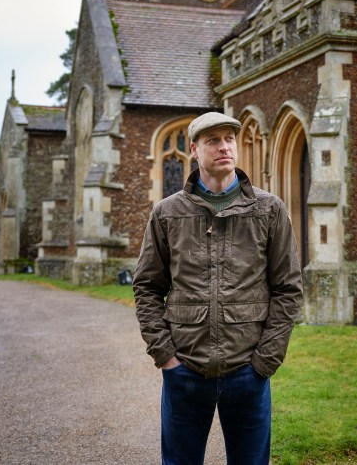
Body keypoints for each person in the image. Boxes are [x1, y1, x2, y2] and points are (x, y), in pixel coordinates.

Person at [133, 111, 304, 465]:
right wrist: (165, 355)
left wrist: (265, 361)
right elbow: (147, 286)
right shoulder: (167, 213)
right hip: (185, 372)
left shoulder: (268, 210)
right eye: (213, 140)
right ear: (194, 149)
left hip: (248, 371)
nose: (224, 147)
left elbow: (288, 288)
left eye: (229, 139)